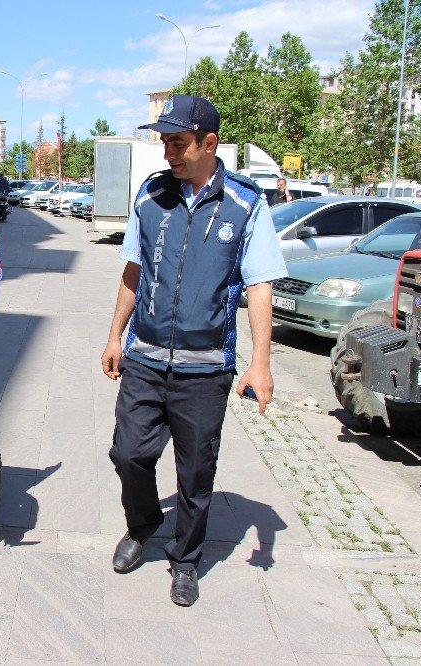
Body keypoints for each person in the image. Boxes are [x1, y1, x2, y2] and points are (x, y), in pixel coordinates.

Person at [100, 95, 287, 607]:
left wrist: (261, 364)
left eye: (178, 144)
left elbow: (260, 286)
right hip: (146, 357)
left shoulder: (246, 205)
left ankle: (185, 560)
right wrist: (116, 335)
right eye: (164, 143)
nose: (168, 154)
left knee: (195, 472)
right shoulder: (151, 195)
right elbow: (133, 271)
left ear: (210, 143)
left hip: (205, 371)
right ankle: (142, 527)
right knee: (129, 454)